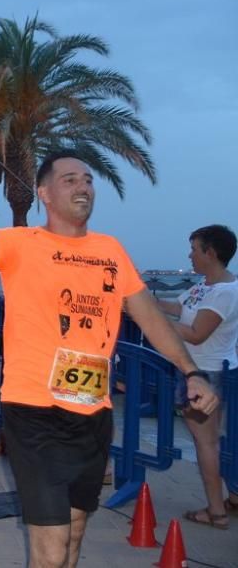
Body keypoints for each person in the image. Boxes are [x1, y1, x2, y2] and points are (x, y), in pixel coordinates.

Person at [0, 147, 218, 568]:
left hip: (94, 414)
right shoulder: (20, 244)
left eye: (88, 180)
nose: (83, 186)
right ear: (43, 193)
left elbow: (150, 318)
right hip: (34, 412)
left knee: (75, 531)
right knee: (50, 545)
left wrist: (191, 371)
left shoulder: (111, 251)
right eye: (70, 179)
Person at [157, 224, 238, 530]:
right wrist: (138, 301)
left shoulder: (225, 293)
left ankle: (216, 512)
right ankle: (223, 502)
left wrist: (155, 323)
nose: (189, 255)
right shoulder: (203, 286)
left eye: (194, 249)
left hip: (207, 374)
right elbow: (176, 307)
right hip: (197, 371)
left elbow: (195, 334)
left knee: (206, 444)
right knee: (209, 442)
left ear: (210, 253)